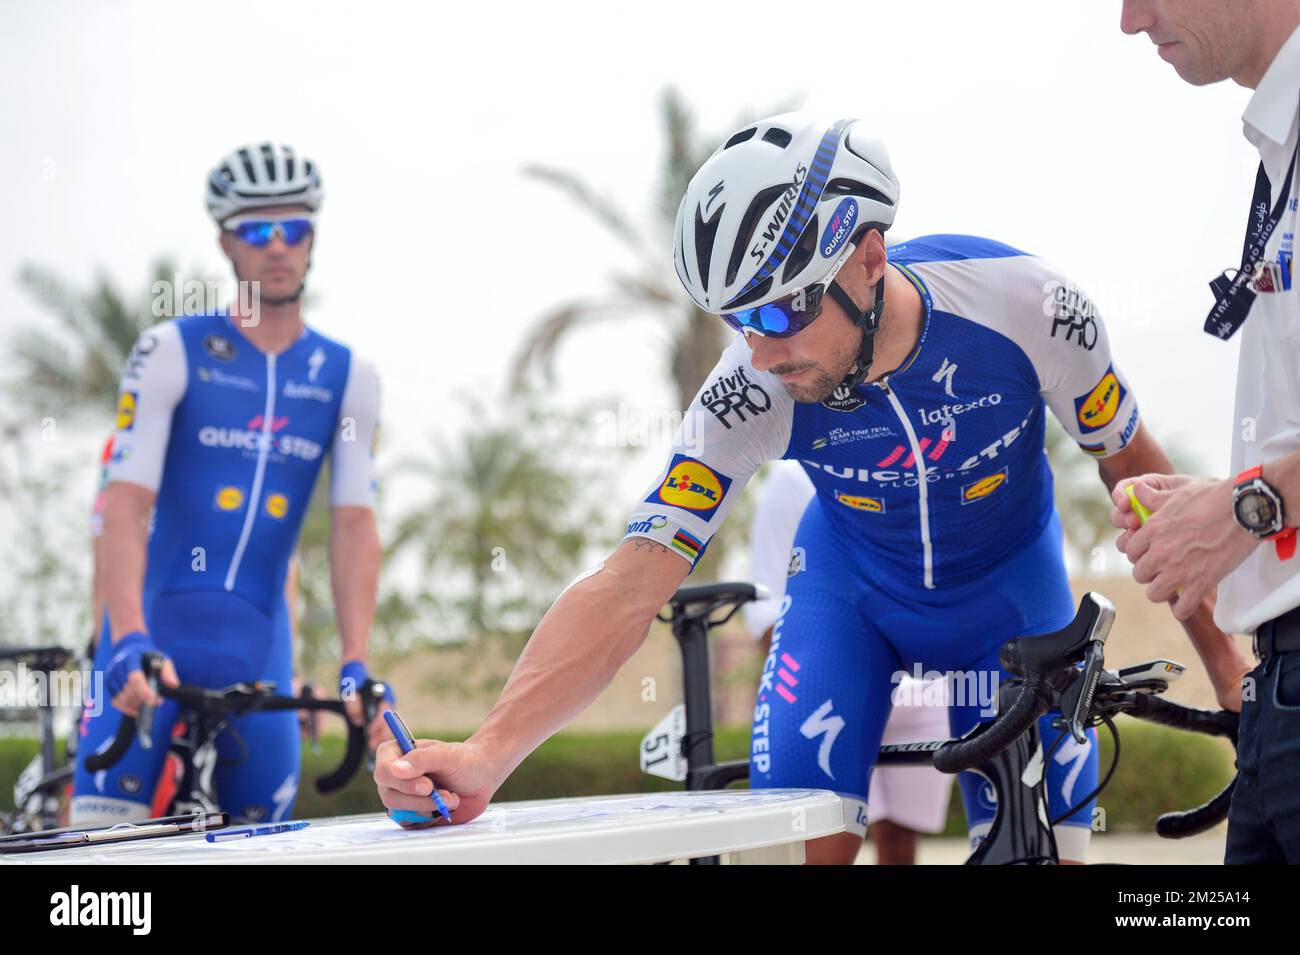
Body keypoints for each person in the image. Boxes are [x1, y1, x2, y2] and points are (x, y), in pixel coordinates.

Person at [375, 113, 1248, 864]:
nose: (760, 350)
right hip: (852, 603)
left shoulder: (1027, 306)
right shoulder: (749, 391)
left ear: (869, 257)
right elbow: (632, 579)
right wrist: (487, 752)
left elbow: (1143, 485)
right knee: (796, 847)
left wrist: (1230, 675)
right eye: (735, 317)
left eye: (780, 310)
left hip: (1012, 602)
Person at [72, 142, 390, 824]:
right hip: (148, 644)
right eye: (256, 230)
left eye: (294, 228)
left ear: (313, 238)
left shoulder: (348, 376)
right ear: (225, 242)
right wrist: (125, 635)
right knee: (100, 877)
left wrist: (355, 659)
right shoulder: (169, 351)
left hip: (260, 656)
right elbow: (124, 506)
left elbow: (354, 523)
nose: (277, 246)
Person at [1116, 0, 1300, 863]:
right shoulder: (1280, 139)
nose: (1128, 19)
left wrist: (1246, 508)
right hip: (1279, 690)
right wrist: (1221, 502)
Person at [745, 459, 953, 864]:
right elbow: (766, 598)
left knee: (900, 842)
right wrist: (804, 674)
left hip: (922, 688)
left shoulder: (917, 462)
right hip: (834, 679)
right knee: (828, 840)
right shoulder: (790, 476)